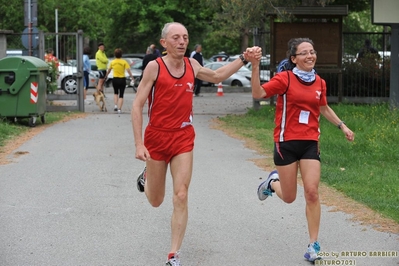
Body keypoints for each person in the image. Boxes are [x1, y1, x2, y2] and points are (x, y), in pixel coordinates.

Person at [131, 22, 260, 266]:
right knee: (156, 200)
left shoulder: (192, 64)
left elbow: (218, 75)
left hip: (182, 138)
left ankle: (173, 255)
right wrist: (139, 144)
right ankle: (147, 176)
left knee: (181, 194)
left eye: (185, 37)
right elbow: (137, 105)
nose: (182, 42)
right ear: (164, 44)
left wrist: (244, 57)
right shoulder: (154, 67)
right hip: (156, 138)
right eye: (176, 38)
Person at [248, 38, 355, 263]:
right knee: (288, 197)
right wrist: (255, 66)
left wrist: (342, 125)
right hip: (285, 142)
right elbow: (258, 94)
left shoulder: (319, 82)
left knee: (312, 192)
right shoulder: (284, 78)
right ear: (294, 58)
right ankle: (271, 183)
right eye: (304, 53)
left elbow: (323, 107)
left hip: (309, 143)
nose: (310, 56)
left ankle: (313, 245)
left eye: (312, 52)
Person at [104, 48, 134, 114]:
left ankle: (115, 105)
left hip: (115, 79)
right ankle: (119, 109)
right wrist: (132, 77)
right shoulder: (124, 62)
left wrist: (106, 76)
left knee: (115, 93)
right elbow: (128, 70)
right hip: (122, 79)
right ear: (121, 54)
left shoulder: (112, 62)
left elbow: (108, 70)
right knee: (121, 95)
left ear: (115, 55)